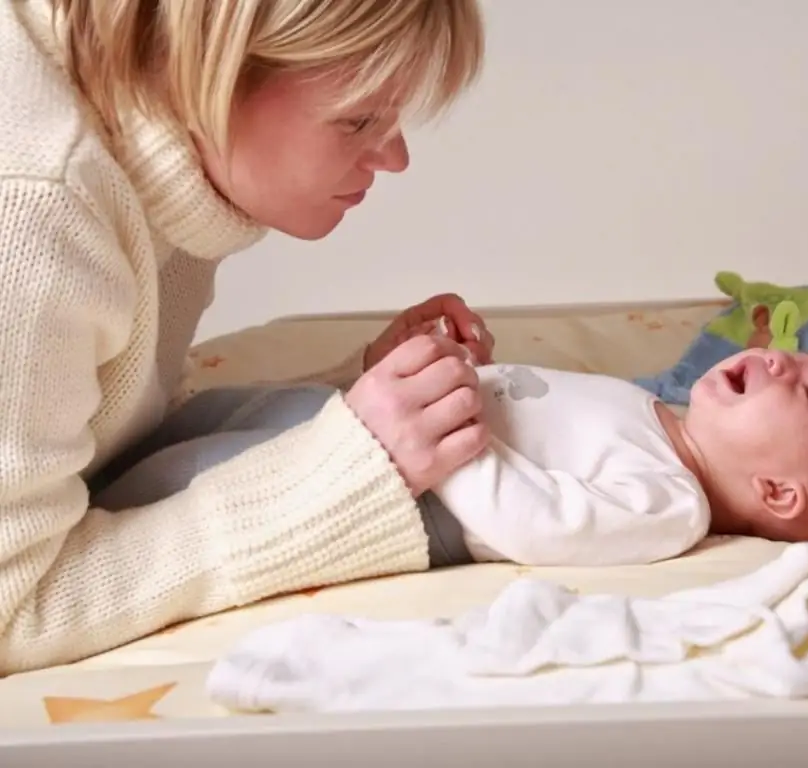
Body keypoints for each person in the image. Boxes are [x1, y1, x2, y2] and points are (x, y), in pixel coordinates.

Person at [0, 0, 491, 674]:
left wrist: (349, 399)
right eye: (359, 120)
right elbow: (11, 610)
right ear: (215, 70)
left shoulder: (161, 143)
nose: (395, 156)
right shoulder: (34, 200)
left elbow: (101, 446)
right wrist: (343, 474)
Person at [94, 346, 808, 575]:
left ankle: (85, 520)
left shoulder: (670, 504)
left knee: (191, 479)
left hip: (405, 487)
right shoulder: (657, 411)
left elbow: (532, 524)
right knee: (204, 419)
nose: (775, 359)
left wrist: (444, 441)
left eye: (801, 391)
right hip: (383, 421)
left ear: (775, 491)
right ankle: (86, 469)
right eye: (793, 354)